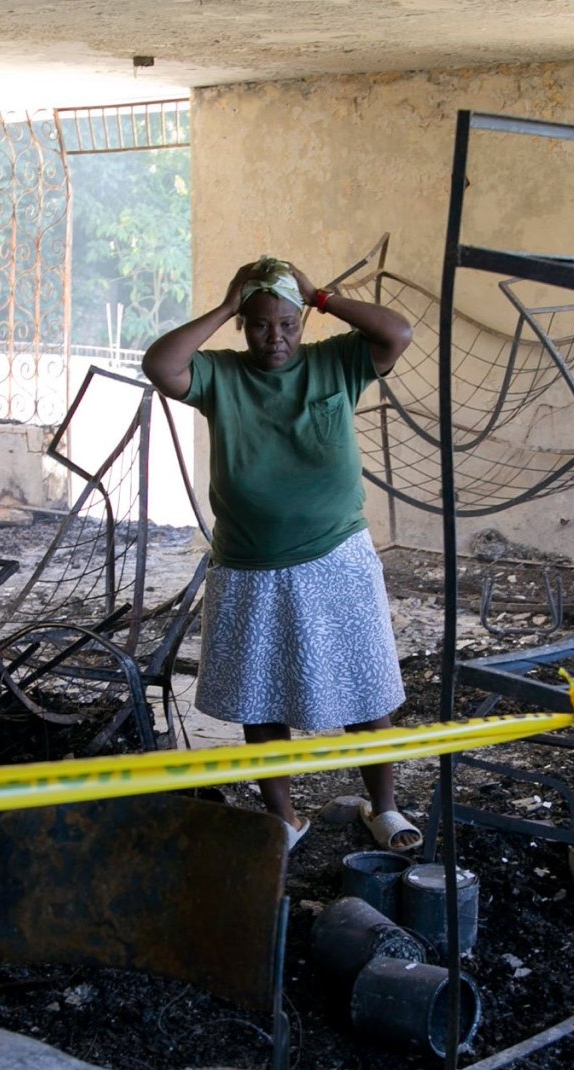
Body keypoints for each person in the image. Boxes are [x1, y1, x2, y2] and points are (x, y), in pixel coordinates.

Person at [143, 256, 419, 853]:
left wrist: (322, 297)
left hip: (336, 554)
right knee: (261, 696)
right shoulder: (221, 376)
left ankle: (385, 809)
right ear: (245, 324)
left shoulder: (336, 362)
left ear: (304, 324)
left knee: (366, 689)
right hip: (250, 564)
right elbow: (160, 365)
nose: (277, 338)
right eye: (262, 324)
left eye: (288, 324)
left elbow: (396, 333)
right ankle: (284, 819)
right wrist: (225, 305)